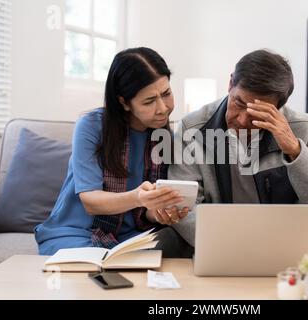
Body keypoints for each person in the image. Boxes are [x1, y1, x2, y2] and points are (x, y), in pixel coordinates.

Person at [169, 49, 308, 267]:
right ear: (230, 84)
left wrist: (294, 149)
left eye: (257, 114)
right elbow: (183, 206)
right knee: (165, 239)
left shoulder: (304, 128)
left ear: (278, 107)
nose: (243, 120)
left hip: (289, 235)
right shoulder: (192, 128)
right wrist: (236, 242)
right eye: (239, 103)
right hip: (221, 238)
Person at [35, 47, 193, 258]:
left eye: (166, 94)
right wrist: (138, 197)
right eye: (149, 101)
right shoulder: (91, 126)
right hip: (76, 232)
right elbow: (90, 201)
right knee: (96, 261)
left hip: (131, 236)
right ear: (124, 102)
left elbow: (146, 213)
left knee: (175, 242)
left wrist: (159, 213)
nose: (163, 108)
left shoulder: (164, 138)